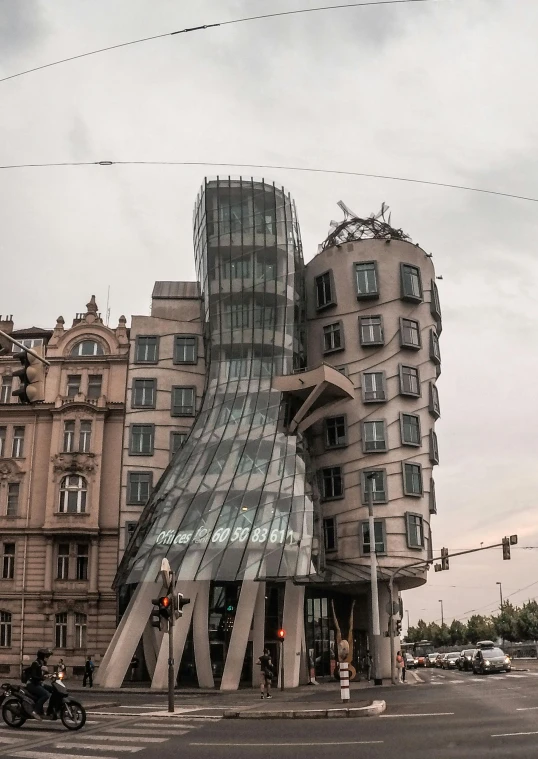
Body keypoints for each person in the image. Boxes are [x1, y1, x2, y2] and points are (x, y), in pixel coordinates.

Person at [26, 648, 54, 720]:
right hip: (32, 684)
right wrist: (42, 677)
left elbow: (46, 673)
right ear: (42, 656)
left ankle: (50, 711)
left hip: (38, 684)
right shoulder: (36, 663)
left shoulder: (43, 663)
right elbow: (33, 675)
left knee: (54, 689)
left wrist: (53, 675)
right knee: (46, 694)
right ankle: (35, 711)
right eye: (47, 656)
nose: (48, 658)